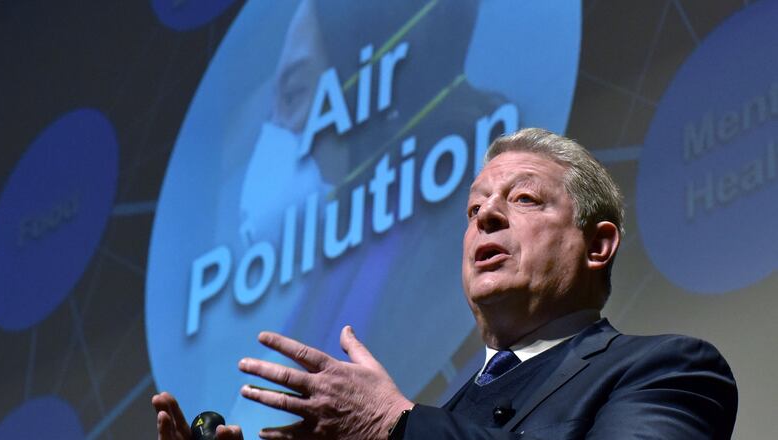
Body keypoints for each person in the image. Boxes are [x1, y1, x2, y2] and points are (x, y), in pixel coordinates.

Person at [153, 128, 737, 439]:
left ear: (599, 244)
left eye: (525, 199)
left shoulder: (671, 370)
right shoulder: (442, 413)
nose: (485, 217)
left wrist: (398, 426)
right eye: (474, 208)